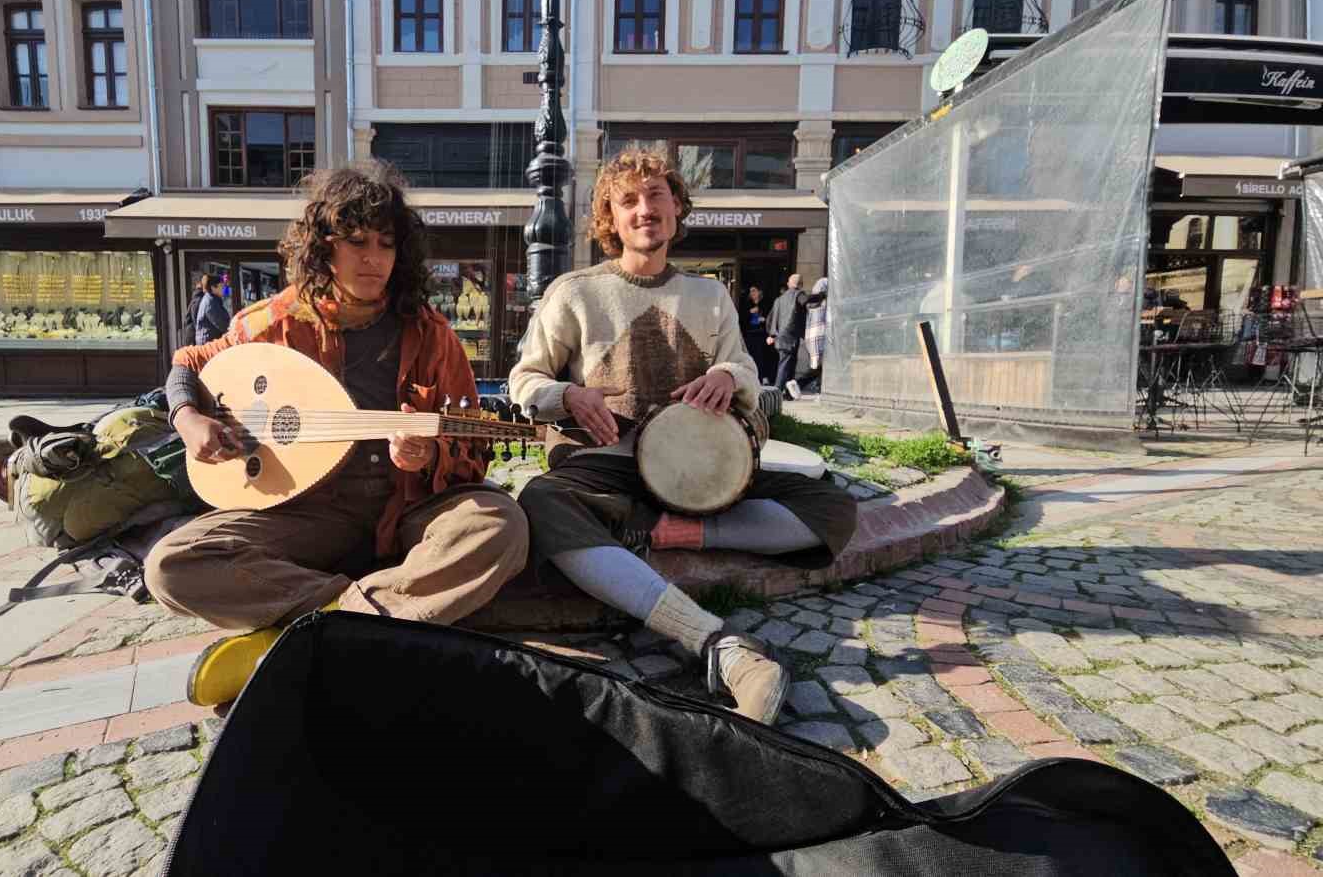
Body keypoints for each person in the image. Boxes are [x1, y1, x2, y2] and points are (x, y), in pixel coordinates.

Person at [146, 161, 529, 710]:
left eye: (386, 244)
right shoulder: (274, 324)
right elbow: (189, 363)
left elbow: (473, 448)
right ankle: (371, 619)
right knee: (171, 565)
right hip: (307, 511)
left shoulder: (431, 335)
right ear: (323, 246)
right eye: (356, 241)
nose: (373, 258)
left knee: (500, 524)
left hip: (406, 509)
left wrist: (427, 456)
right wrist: (188, 417)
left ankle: (303, 635)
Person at [508, 146, 858, 724]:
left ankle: (684, 532)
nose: (644, 209)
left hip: (697, 476)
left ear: (676, 208)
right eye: (628, 201)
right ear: (610, 218)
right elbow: (524, 380)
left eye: (656, 196)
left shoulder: (709, 295)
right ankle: (716, 644)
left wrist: (727, 377)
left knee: (834, 507)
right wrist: (566, 395)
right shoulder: (573, 292)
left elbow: (746, 372)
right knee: (542, 502)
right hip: (607, 466)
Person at [766, 274, 804, 395]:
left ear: (788, 284)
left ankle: (788, 393)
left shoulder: (779, 299)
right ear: (801, 284)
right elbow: (807, 301)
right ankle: (777, 391)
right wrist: (822, 295)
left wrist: (771, 334)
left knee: (789, 364)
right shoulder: (798, 295)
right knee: (785, 364)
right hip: (790, 336)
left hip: (781, 336)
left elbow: (770, 318)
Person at [802, 277, 831, 394]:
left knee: (815, 365)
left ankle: (815, 386)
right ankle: (817, 387)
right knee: (822, 365)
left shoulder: (810, 303)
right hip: (822, 335)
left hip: (810, 337)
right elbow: (830, 319)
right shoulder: (826, 303)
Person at [740, 284, 773, 384]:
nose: (752, 293)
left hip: (762, 334)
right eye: (751, 291)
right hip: (750, 334)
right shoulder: (747, 304)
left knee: (762, 356)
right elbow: (741, 318)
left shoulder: (766, 304)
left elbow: (772, 317)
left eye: (754, 290)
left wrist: (764, 319)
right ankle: (751, 377)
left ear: (760, 292)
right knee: (751, 356)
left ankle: (763, 377)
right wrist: (749, 312)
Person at [193, 272, 232, 344]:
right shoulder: (210, 302)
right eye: (221, 286)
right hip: (207, 343)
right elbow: (222, 323)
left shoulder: (213, 299)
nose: (223, 289)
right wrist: (232, 329)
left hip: (211, 340)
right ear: (213, 288)